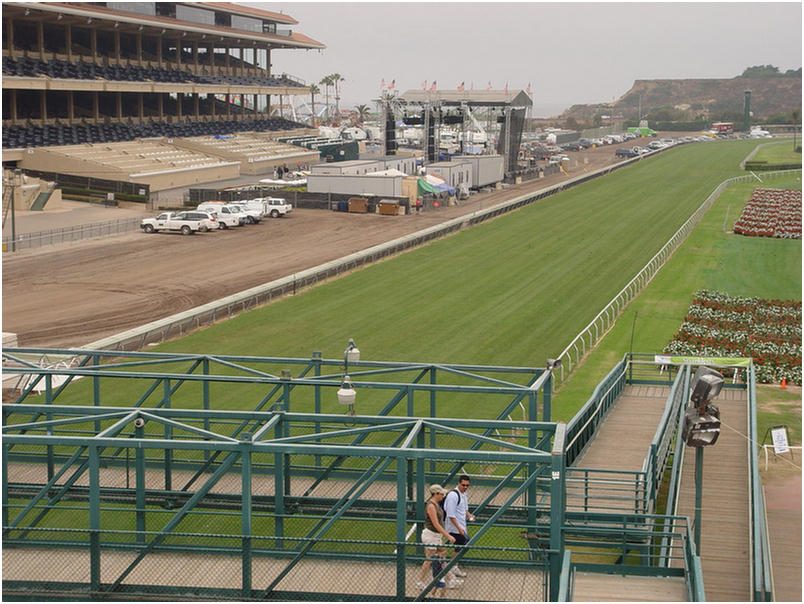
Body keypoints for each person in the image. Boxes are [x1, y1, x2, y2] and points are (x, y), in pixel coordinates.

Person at [417, 484, 462, 594]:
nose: (443, 495)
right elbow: (436, 524)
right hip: (431, 535)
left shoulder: (436, 504)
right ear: (435, 494)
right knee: (430, 559)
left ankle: (450, 579)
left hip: (436, 536)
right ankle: (420, 582)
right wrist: (448, 535)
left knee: (441, 556)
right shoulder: (431, 506)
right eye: (441, 494)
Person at [444, 474, 475, 577]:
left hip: (461, 526)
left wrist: (470, 516)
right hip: (454, 528)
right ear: (458, 483)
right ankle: (452, 566)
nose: (465, 487)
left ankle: (453, 565)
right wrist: (459, 528)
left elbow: (464, 509)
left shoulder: (463, 494)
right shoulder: (453, 496)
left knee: (460, 546)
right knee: (462, 545)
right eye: (463, 485)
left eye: (467, 485)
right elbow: (450, 514)